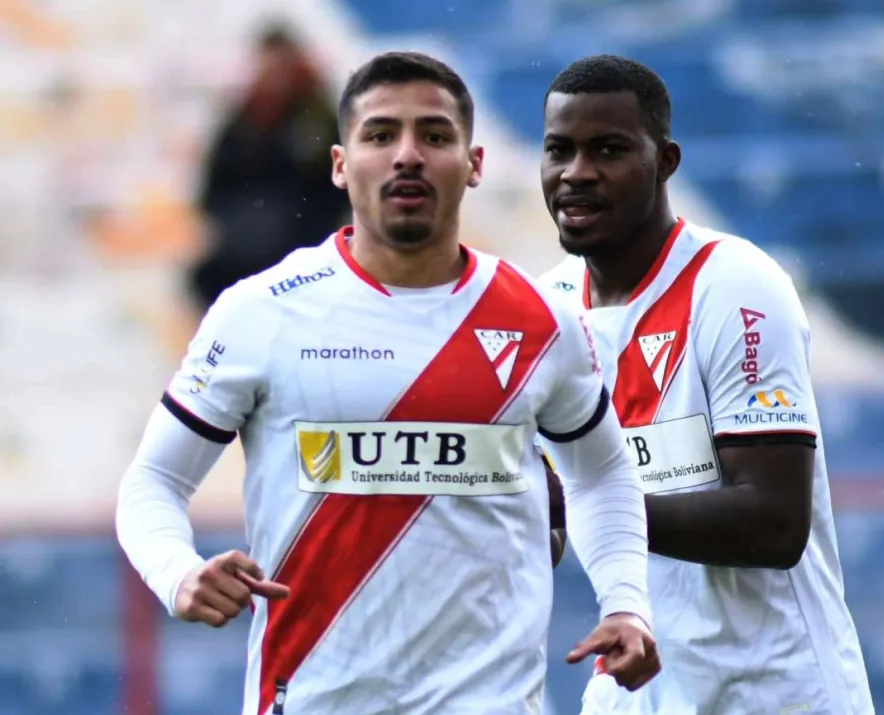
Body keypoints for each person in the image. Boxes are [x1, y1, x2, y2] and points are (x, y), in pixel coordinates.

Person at [116, 51, 661, 715]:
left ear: (474, 164)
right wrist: (179, 573)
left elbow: (602, 473)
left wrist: (627, 602)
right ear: (342, 165)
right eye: (381, 135)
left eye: (434, 135)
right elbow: (153, 483)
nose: (408, 155)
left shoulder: (544, 322)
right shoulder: (262, 313)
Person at [538, 55, 875, 715]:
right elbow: (540, 519)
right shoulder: (543, 310)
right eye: (559, 150)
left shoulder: (737, 286)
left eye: (608, 149)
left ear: (665, 161)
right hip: (633, 692)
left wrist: (592, 504)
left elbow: (775, 521)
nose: (577, 173)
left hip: (774, 693)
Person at [189, 21, 351, 313]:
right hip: (244, 249)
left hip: (302, 246)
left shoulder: (319, 118)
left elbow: (336, 191)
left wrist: (294, 228)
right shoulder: (246, 118)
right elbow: (214, 188)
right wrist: (245, 225)